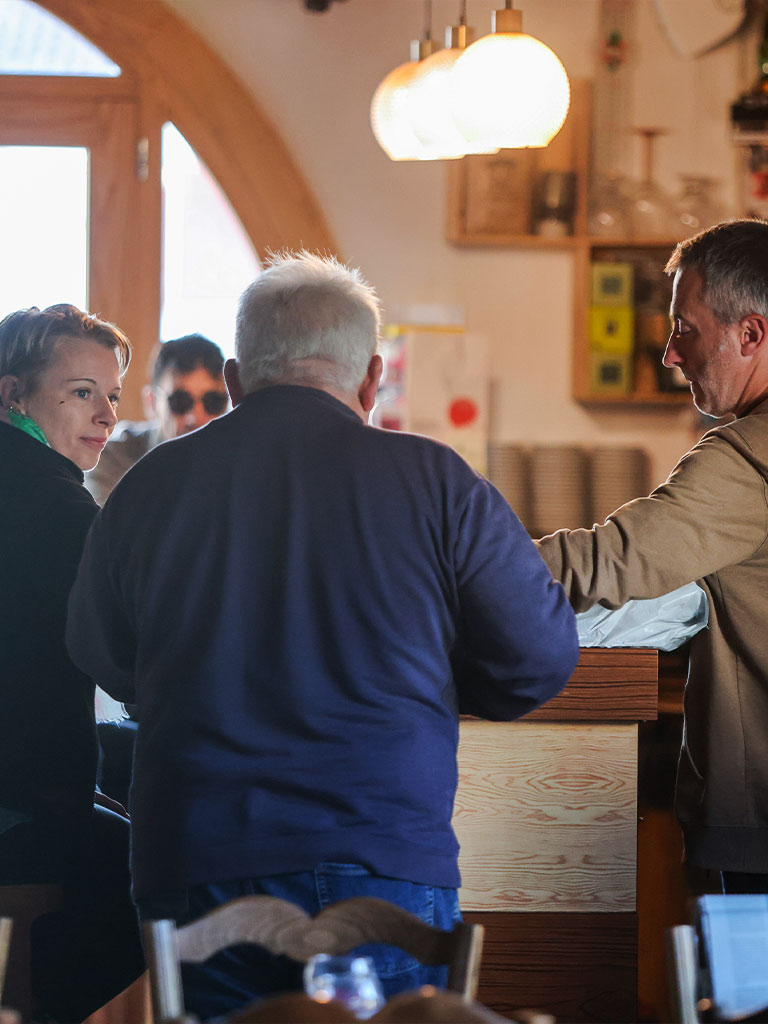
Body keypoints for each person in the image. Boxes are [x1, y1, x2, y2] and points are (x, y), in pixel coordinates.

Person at [66, 251, 578, 1021]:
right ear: (372, 380)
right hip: (384, 853)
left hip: (198, 853)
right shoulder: (437, 481)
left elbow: (98, 650)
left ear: (235, 380)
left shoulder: (151, 485)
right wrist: (435, 687)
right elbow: (539, 659)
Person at [536, 218, 768, 895]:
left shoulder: (747, 461)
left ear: (750, 334)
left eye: (685, 330)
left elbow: (606, 563)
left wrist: (442, 564)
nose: (669, 354)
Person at [0, 303, 144, 1021]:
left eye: (112, 395)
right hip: (17, 805)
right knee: (150, 872)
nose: (106, 414)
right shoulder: (57, 507)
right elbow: (124, 660)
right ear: (13, 393)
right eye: (81, 392)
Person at [85, 332, 227, 504]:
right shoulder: (116, 457)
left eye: (213, 401)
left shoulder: (242, 462)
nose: (195, 417)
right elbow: (104, 527)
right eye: (180, 402)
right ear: (151, 403)